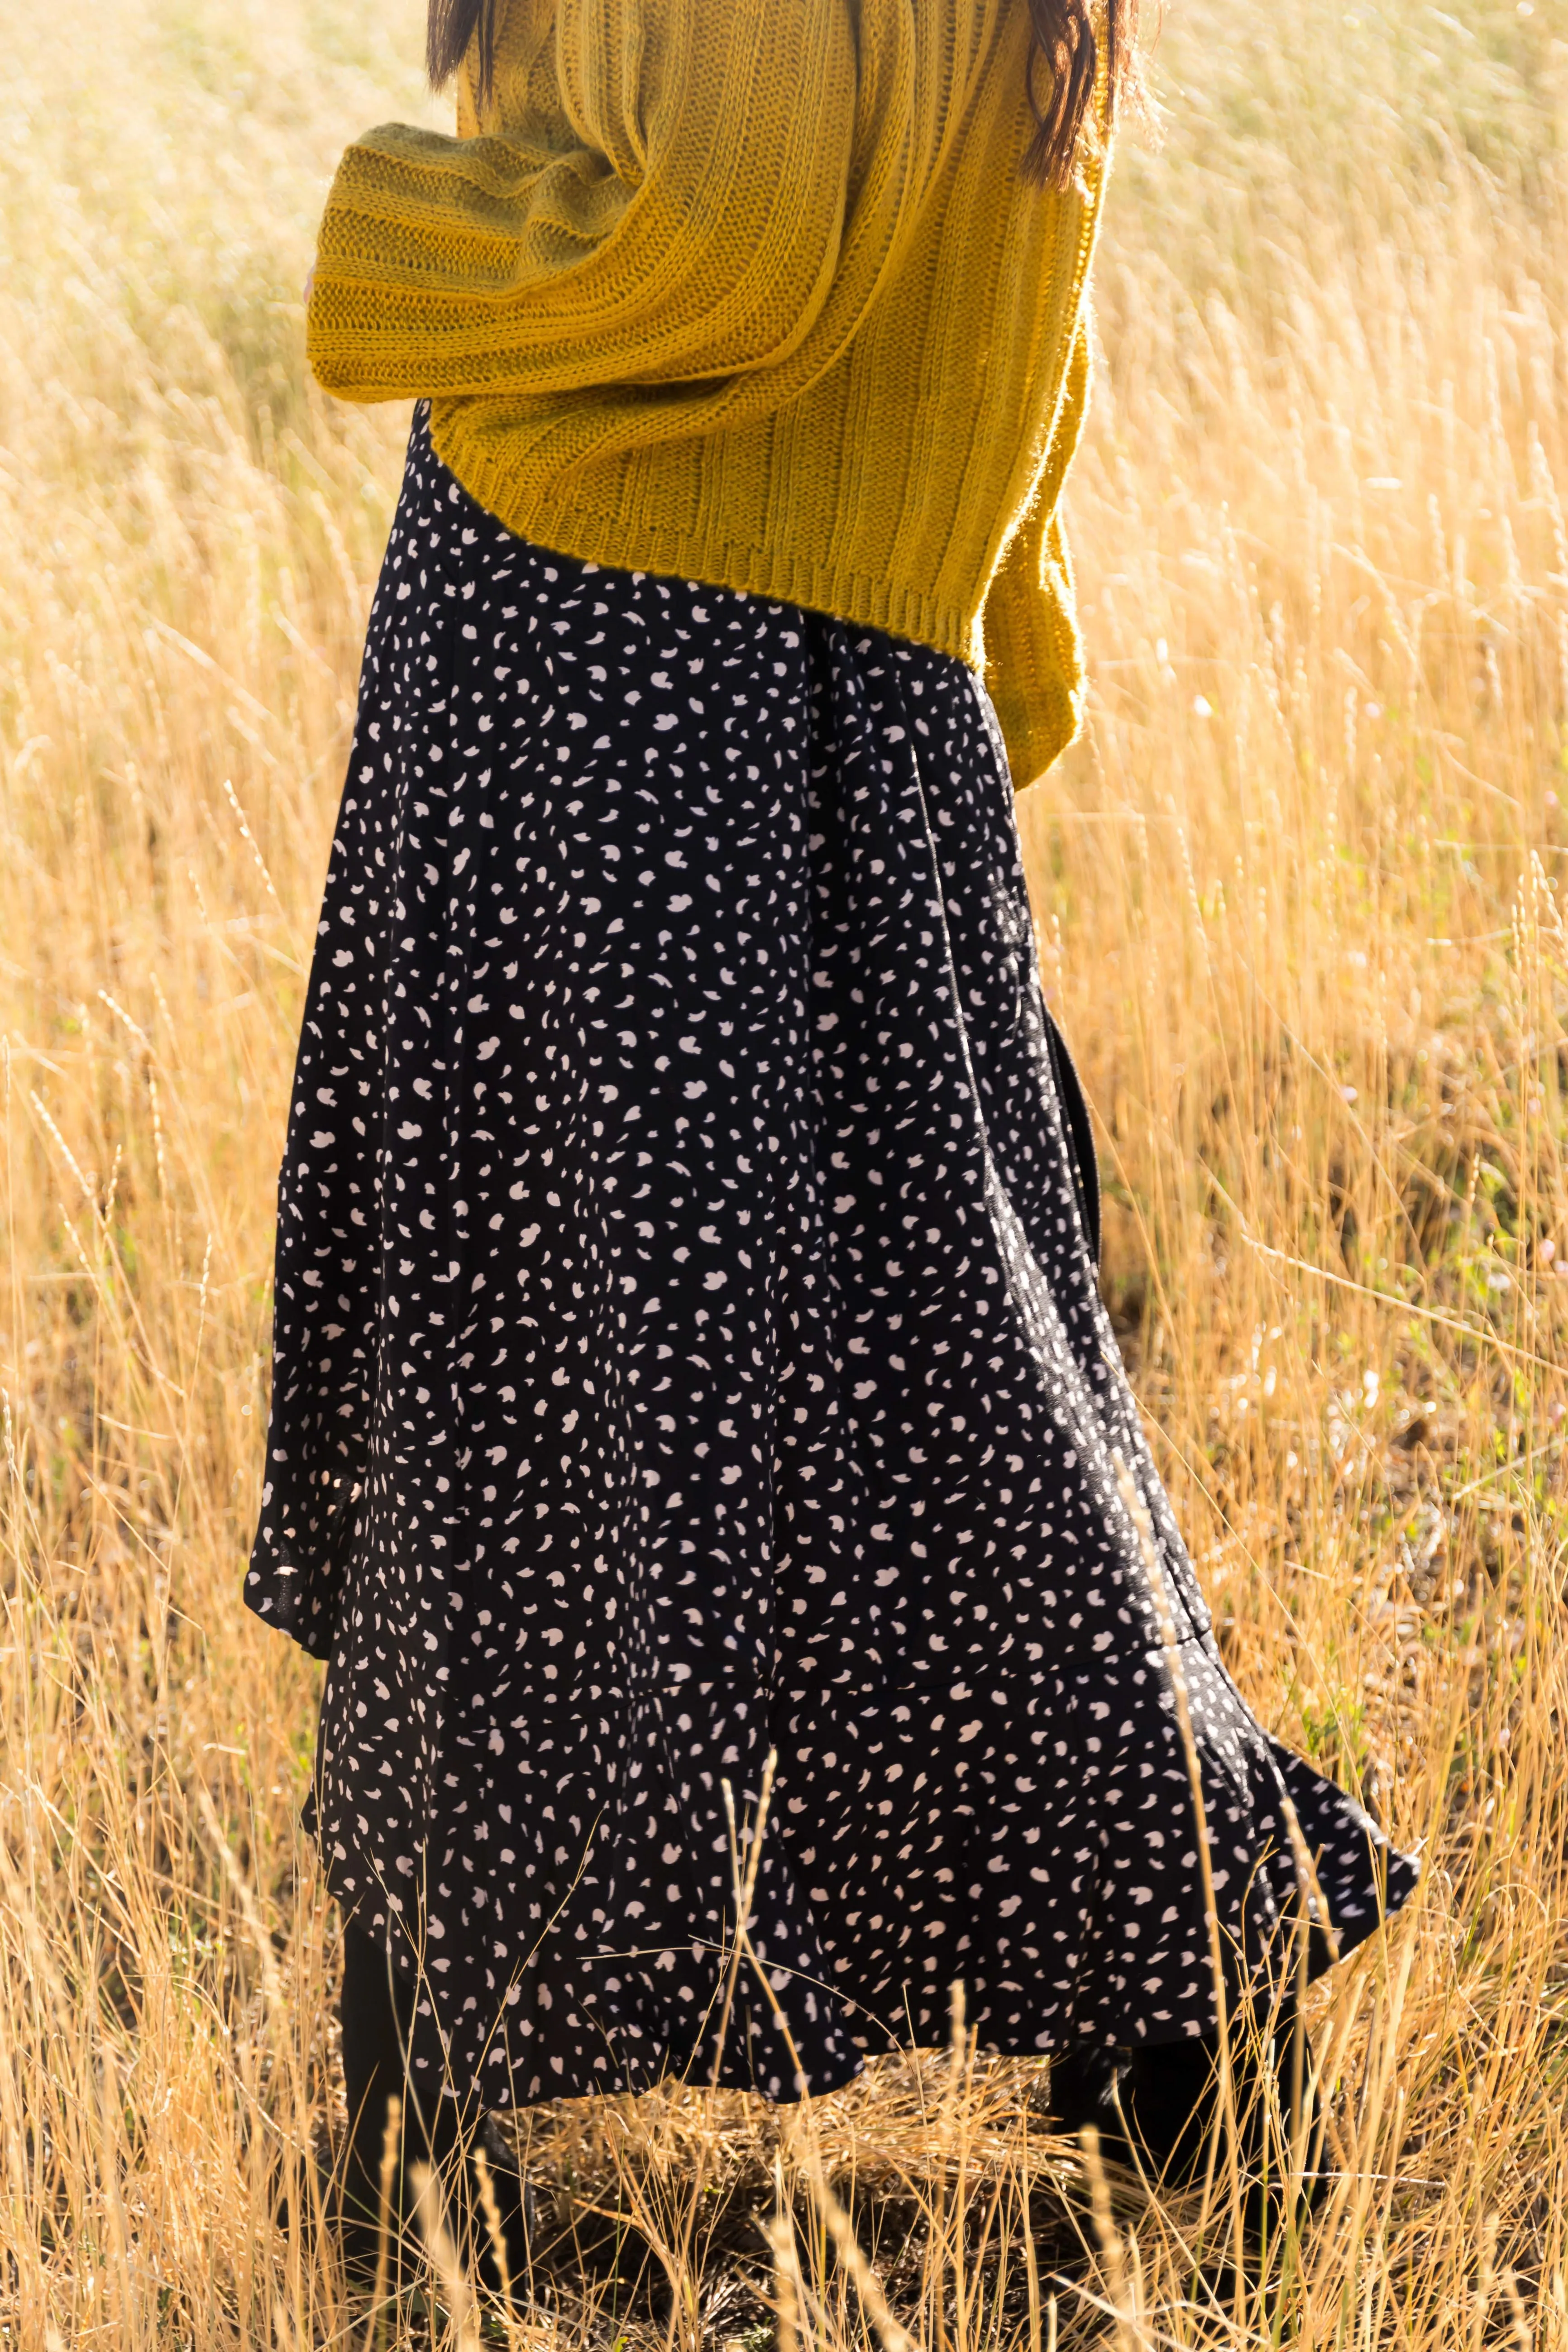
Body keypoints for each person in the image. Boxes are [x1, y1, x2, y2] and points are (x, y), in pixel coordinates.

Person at [246, 0, 1418, 2276]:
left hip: (613, 678)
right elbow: (1005, 231)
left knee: (523, 1379)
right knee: (928, 1382)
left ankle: (428, 2130)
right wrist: (975, 623)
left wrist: (387, 231)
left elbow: (727, 251)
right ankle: (1178, 2054)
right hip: (830, 686)